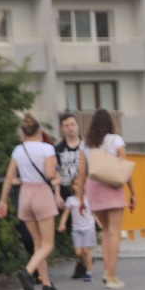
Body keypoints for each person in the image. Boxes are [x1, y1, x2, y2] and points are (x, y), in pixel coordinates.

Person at [0, 112, 64, 290]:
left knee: (37, 243)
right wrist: (58, 176)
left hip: (25, 196)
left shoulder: (18, 150)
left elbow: (9, 177)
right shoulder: (46, 149)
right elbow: (50, 174)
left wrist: (3, 201)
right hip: (41, 193)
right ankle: (27, 272)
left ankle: (47, 284)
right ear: (39, 130)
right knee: (48, 245)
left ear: (24, 133)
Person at [83, 107, 135, 289]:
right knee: (114, 232)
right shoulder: (116, 140)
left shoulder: (87, 143)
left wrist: (80, 197)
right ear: (110, 123)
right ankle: (112, 275)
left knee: (105, 231)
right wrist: (133, 193)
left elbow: (82, 171)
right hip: (112, 186)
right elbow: (124, 167)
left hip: (93, 188)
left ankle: (107, 270)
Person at [55, 112, 89, 278]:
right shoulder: (58, 149)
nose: (70, 128)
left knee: (88, 227)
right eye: (66, 125)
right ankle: (81, 259)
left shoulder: (86, 146)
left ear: (78, 126)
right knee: (72, 230)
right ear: (62, 128)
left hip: (86, 194)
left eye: (72, 124)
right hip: (66, 193)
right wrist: (57, 194)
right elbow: (55, 172)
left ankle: (83, 261)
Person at [58, 190, 96, 284]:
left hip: (89, 227)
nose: (78, 187)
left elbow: (94, 213)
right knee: (78, 253)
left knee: (86, 250)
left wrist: (100, 224)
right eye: (75, 184)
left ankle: (89, 273)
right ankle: (87, 261)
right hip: (76, 228)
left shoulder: (89, 198)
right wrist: (62, 224)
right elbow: (66, 214)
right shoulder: (70, 200)